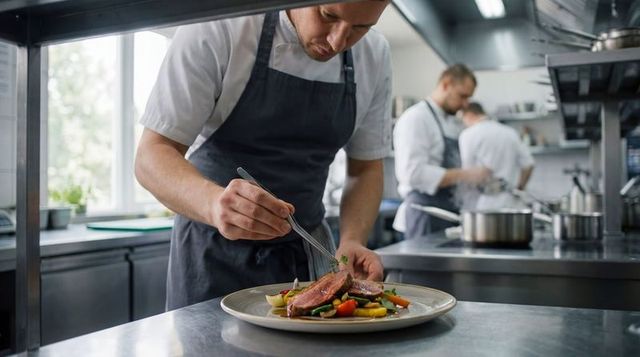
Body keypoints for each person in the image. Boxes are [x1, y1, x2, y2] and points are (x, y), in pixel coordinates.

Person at [134, 1, 392, 310]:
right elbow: (152, 155)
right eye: (328, 16)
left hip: (306, 258)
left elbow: (365, 168)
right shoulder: (221, 23)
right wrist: (213, 203)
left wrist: (352, 239)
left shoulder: (374, 56)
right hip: (212, 258)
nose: (338, 41)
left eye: (361, 27)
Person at [393, 64, 491, 240]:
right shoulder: (416, 118)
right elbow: (411, 173)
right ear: (446, 84)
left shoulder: (451, 122)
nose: (465, 104)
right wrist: (465, 175)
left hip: (448, 213)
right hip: (424, 215)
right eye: (463, 96)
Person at [459, 103, 535, 210]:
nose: (464, 123)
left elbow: (467, 172)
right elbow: (529, 164)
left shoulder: (467, 135)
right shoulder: (510, 132)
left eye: (463, 119)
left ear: (469, 115)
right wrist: (520, 188)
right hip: (512, 203)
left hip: (484, 204)